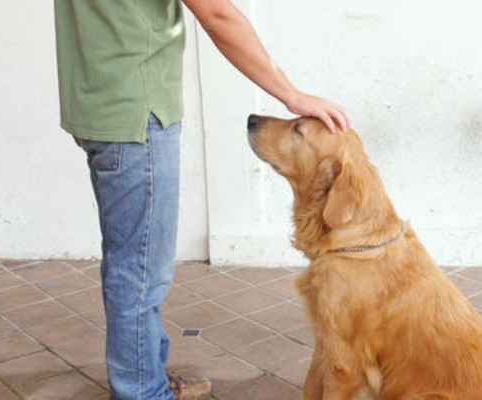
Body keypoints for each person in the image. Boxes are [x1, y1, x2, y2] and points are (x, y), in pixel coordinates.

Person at [54, 1, 350, 399]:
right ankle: (142, 392)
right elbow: (218, 16)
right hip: (136, 113)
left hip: (93, 104)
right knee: (140, 272)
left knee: (128, 260)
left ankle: (146, 378)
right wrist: (292, 96)